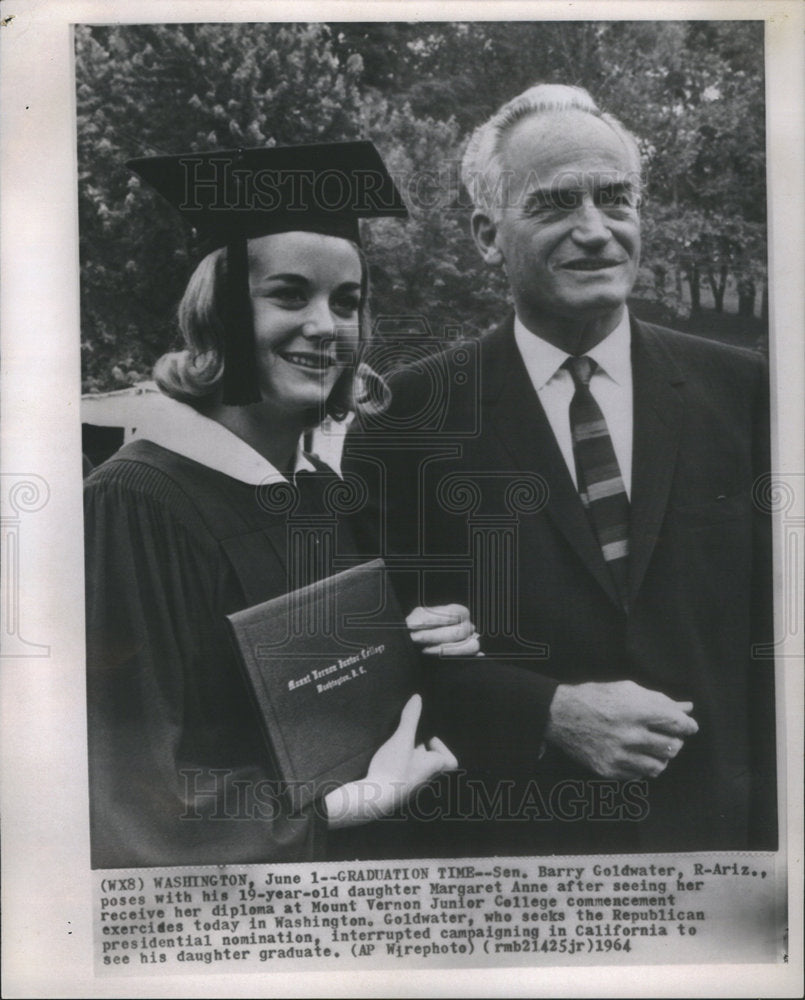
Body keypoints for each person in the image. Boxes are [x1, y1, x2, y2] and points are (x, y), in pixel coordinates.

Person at [342, 86, 777, 855]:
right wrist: (544, 710)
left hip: (723, 842)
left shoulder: (750, 394)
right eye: (554, 204)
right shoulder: (407, 419)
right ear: (486, 234)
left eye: (616, 200)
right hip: (515, 855)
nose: (594, 231)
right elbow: (376, 658)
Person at [84, 141, 477, 870]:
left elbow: (346, 692)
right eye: (290, 295)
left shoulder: (324, 490)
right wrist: (339, 809)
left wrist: (433, 646)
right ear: (221, 314)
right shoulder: (134, 505)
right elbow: (125, 800)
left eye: (346, 302)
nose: (326, 326)